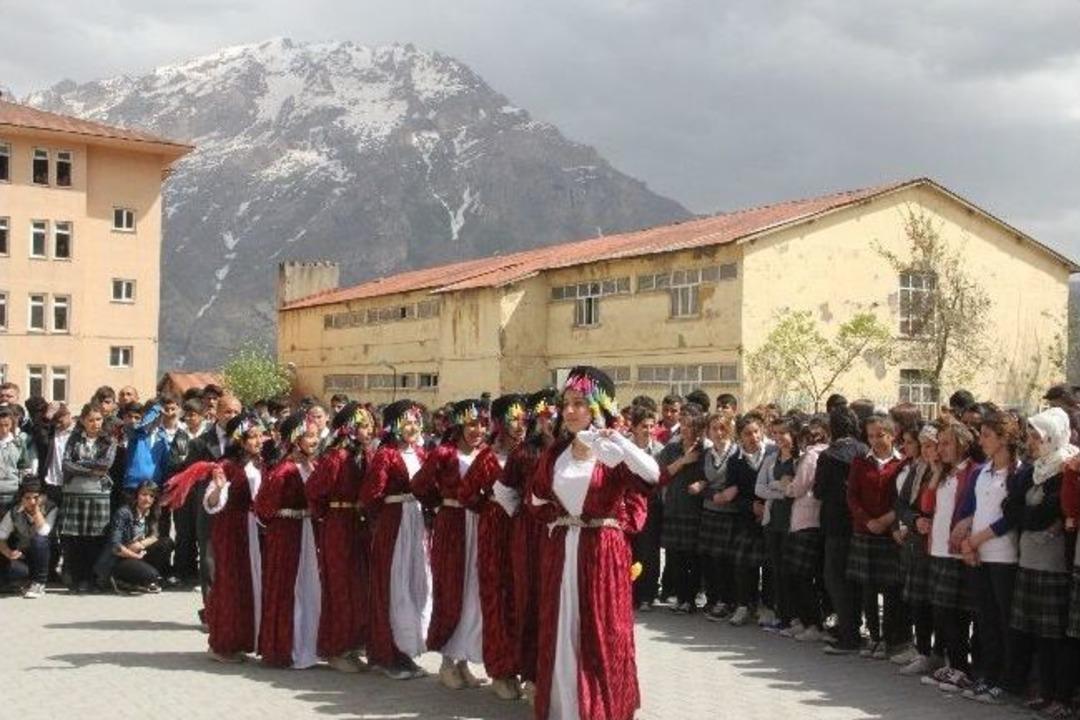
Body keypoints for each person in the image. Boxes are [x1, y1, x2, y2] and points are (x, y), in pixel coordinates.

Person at [528, 366, 660, 720]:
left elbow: (651, 475)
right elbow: (536, 499)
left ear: (598, 408)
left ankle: (601, 709)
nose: (569, 411)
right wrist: (557, 518)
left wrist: (617, 441)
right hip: (563, 549)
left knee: (601, 632)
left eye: (579, 404)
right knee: (563, 627)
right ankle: (564, 707)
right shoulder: (555, 453)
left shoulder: (611, 453)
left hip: (602, 551)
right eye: (566, 404)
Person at [165, 413, 266, 663]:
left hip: (253, 529)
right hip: (231, 529)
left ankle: (241, 640)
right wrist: (220, 488)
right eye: (252, 437)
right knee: (229, 584)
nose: (258, 440)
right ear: (239, 440)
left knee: (248, 585)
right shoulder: (226, 466)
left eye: (259, 435)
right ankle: (221, 644)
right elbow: (211, 503)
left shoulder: (261, 463)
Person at [413, 398, 492, 690]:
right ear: (459, 425)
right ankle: (447, 661)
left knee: (473, 592)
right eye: (472, 424)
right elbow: (420, 484)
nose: (478, 430)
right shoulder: (444, 454)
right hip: (453, 525)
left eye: (483, 424)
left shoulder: (486, 454)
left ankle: (463, 660)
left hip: (478, 523)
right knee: (452, 589)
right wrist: (441, 505)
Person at [460, 393, 529, 700]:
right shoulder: (488, 457)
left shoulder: (530, 454)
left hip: (524, 534)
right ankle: (501, 670)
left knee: (521, 600)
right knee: (498, 600)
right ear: (500, 422)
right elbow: (467, 494)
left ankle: (524, 668)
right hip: (495, 535)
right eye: (514, 418)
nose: (521, 424)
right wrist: (491, 508)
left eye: (523, 417)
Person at [1007, 408, 1076, 715]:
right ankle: (1043, 690)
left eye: (1037, 436)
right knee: (1034, 632)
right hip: (1030, 558)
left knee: (1054, 636)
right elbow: (1011, 506)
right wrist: (1027, 515)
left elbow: (1044, 514)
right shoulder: (1035, 469)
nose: (1032, 442)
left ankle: (1058, 696)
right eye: (1031, 435)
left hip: (1053, 564)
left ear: (1052, 437)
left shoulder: (1064, 468)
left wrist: (1028, 516)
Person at [361, 399, 431, 680]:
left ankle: (407, 652)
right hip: (394, 523)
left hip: (415, 522)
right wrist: (385, 520)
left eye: (415, 421)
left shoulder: (421, 453)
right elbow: (370, 495)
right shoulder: (385, 455)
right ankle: (387, 655)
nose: (412, 427)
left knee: (415, 584)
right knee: (393, 586)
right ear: (394, 426)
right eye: (406, 422)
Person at [957, 410, 1023, 703]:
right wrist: (967, 544)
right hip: (978, 555)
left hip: (1004, 556)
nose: (980, 441)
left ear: (1004, 438)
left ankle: (1010, 682)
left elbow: (1011, 517)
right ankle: (989, 675)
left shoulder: (1020, 472)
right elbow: (971, 510)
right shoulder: (981, 471)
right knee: (985, 620)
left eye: (986, 435)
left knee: (1005, 620)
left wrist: (978, 539)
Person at [306, 402, 376, 672]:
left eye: (370, 425)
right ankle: (335, 648)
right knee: (339, 586)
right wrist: (327, 517)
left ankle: (353, 644)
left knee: (358, 586)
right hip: (338, 524)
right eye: (362, 425)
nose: (368, 431)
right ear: (348, 428)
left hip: (358, 527)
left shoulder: (364, 455)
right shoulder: (336, 457)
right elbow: (314, 490)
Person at [254, 413, 322, 669]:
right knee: (288, 589)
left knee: (308, 587)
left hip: (306, 532)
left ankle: (307, 645)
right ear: (295, 438)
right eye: (309, 435)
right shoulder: (283, 470)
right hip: (286, 535)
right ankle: (285, 647)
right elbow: (263, 507)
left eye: (316, 435)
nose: (314, 440)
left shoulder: (311, 466)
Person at [506, 388, 558, 702]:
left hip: (563, 532)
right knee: (532, 601)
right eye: (544, 415)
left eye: (554, 414)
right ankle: (532, 677)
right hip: (531, 533)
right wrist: (522, 513)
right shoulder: (525, 452)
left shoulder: (572, 449)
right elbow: (503, 490)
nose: (550, 421)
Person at [920, 421, 978, 693]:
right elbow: (926, 506)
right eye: (939, 443)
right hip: (938, 549)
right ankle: (952, 664)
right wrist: (935, 473)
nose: (940, 449)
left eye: (946, 443)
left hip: (956, 552)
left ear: (962, 444)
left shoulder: (972, 472)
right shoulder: (944, 473)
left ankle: (962, 669)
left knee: (955, 614)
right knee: (941, 612)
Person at [845, 414, 905, 659]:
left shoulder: (902, 464)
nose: (875, 440)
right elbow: (852, 496)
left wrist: (887, 520)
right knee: (868, 590)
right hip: (865, 531)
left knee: (891, 589)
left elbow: (904, 499)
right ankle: (874, 636)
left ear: (892, 435)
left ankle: (892, 639)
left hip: (890, 533)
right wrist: (868, 520)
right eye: (870, 436)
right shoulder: (860, 462)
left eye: (880, 435)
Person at [816, 406, 867, 655]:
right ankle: (853, 627)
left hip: (836, 523)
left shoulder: (829, 455)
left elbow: (818, 490)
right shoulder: (863, 451)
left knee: (835, 578)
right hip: (859, 522)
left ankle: (848, 633)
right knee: (854, 581)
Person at [893, 425, 943, 676]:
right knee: (919, 602)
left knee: (940, 604)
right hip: (918, 543)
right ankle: (923, 650)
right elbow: (901, 504)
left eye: (932, 445)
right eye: (923, 446)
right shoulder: (918, 469)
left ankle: (941, 654)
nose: (927, 451)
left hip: (942, 545)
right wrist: (914, 520)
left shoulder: (948, 472)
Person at [60, 404, 117, 593]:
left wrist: (82, 465)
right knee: (75, 539)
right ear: (83, 421)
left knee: (95, 539)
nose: (95, 423)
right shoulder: (74, 439)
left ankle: (92, 579)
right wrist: (91, 470)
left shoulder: (109, 440)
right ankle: (76, 578)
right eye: (91, 420)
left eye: (98, 419)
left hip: (98, 495)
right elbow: (67, 464)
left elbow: (105, 465)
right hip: (74, 493)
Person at [782, 415, 829, 641]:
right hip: (813, 519)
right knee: (803, 576)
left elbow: (800, 486)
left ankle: (813, 624)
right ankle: (806, 620)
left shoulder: (812, 455)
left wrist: (786, 486)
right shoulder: (824, 453)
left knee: (801, 576)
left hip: (806, 519)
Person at [658, 403, 707, 614]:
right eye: (683, 425)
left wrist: (702, 484)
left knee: (691, 556)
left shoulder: (705, 449)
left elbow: (711, 477)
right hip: (673, 506)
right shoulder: (672, 447)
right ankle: (679, 597)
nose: (686, 429)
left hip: (694, 509)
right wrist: (684, 460)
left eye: (690, 425)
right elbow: (663, 474)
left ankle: (690, 599)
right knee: (674, 555)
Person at [728, 413, 770, 626]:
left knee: (769, 565)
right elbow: (732, 493)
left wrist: (765, 506)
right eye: (747, 433)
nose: (752, 437)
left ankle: (767, 607)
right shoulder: (735, 461)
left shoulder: (771, 454)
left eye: (756, 432)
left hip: (770, 516)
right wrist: (750, 506)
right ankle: (744, 605)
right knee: (744, 565)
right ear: (740, 437)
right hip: (746, 518)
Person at [699, 411, 740, 621]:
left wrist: (729, 494)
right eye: (714, 428)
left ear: (730, 430)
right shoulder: (707, 454)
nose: (718, 432)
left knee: (725, 559)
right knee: (709, 557)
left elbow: (740, 481)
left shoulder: (736, 453)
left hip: (729, 513)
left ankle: (727, 600)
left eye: (723, 428)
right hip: (710, 509)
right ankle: (713, 599)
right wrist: (712, 494)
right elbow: (702, 482)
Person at [98, 480, 174, 593]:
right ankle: (119, 580)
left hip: (137, 552)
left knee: (166, 543)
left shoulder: (151, 513)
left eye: (151, 496)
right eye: (143, 494)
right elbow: (115, 547)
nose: (147, 499)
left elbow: (154, 536)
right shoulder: (124, 513)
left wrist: (139, 545)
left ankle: (147, 579)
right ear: (136, 495)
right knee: (152, 575)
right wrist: (135, 555)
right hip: (119, 558)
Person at [628, 404, 664, 612]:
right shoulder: (625, 448)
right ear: (633, 427)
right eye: (644, 426)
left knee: (649, 551)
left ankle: (647, 594)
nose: (648, 430)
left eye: (651, 426)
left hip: (651, 506)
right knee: (630, 550)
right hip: (628, 506)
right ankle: (630, 592)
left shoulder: (660, 451)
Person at [168, 398, 206, 587]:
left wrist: (190, 464)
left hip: (203, 490)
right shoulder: (180, 436)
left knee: (202, 532)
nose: (189, 418)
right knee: (184, 531)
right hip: (184, 489)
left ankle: (202, 573)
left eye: (193, 415)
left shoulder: (208, 436)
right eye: (187, 415)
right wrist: (189, 464)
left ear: (202, 416)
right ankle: (183, 572)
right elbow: (175, 462)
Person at [0, 478, 56, 598]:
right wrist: (7, 552)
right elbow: (1, 535)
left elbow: (44, 531)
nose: (32, 501)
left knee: (39, 540)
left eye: (35, 497)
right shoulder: (14, 511)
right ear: (21, 498)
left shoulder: (51, 508)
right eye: (27, 498)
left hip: (45, 556)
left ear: (42, 497)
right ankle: (18, 582)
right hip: (24, 555)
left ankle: (39, 583)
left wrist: (36, 511)